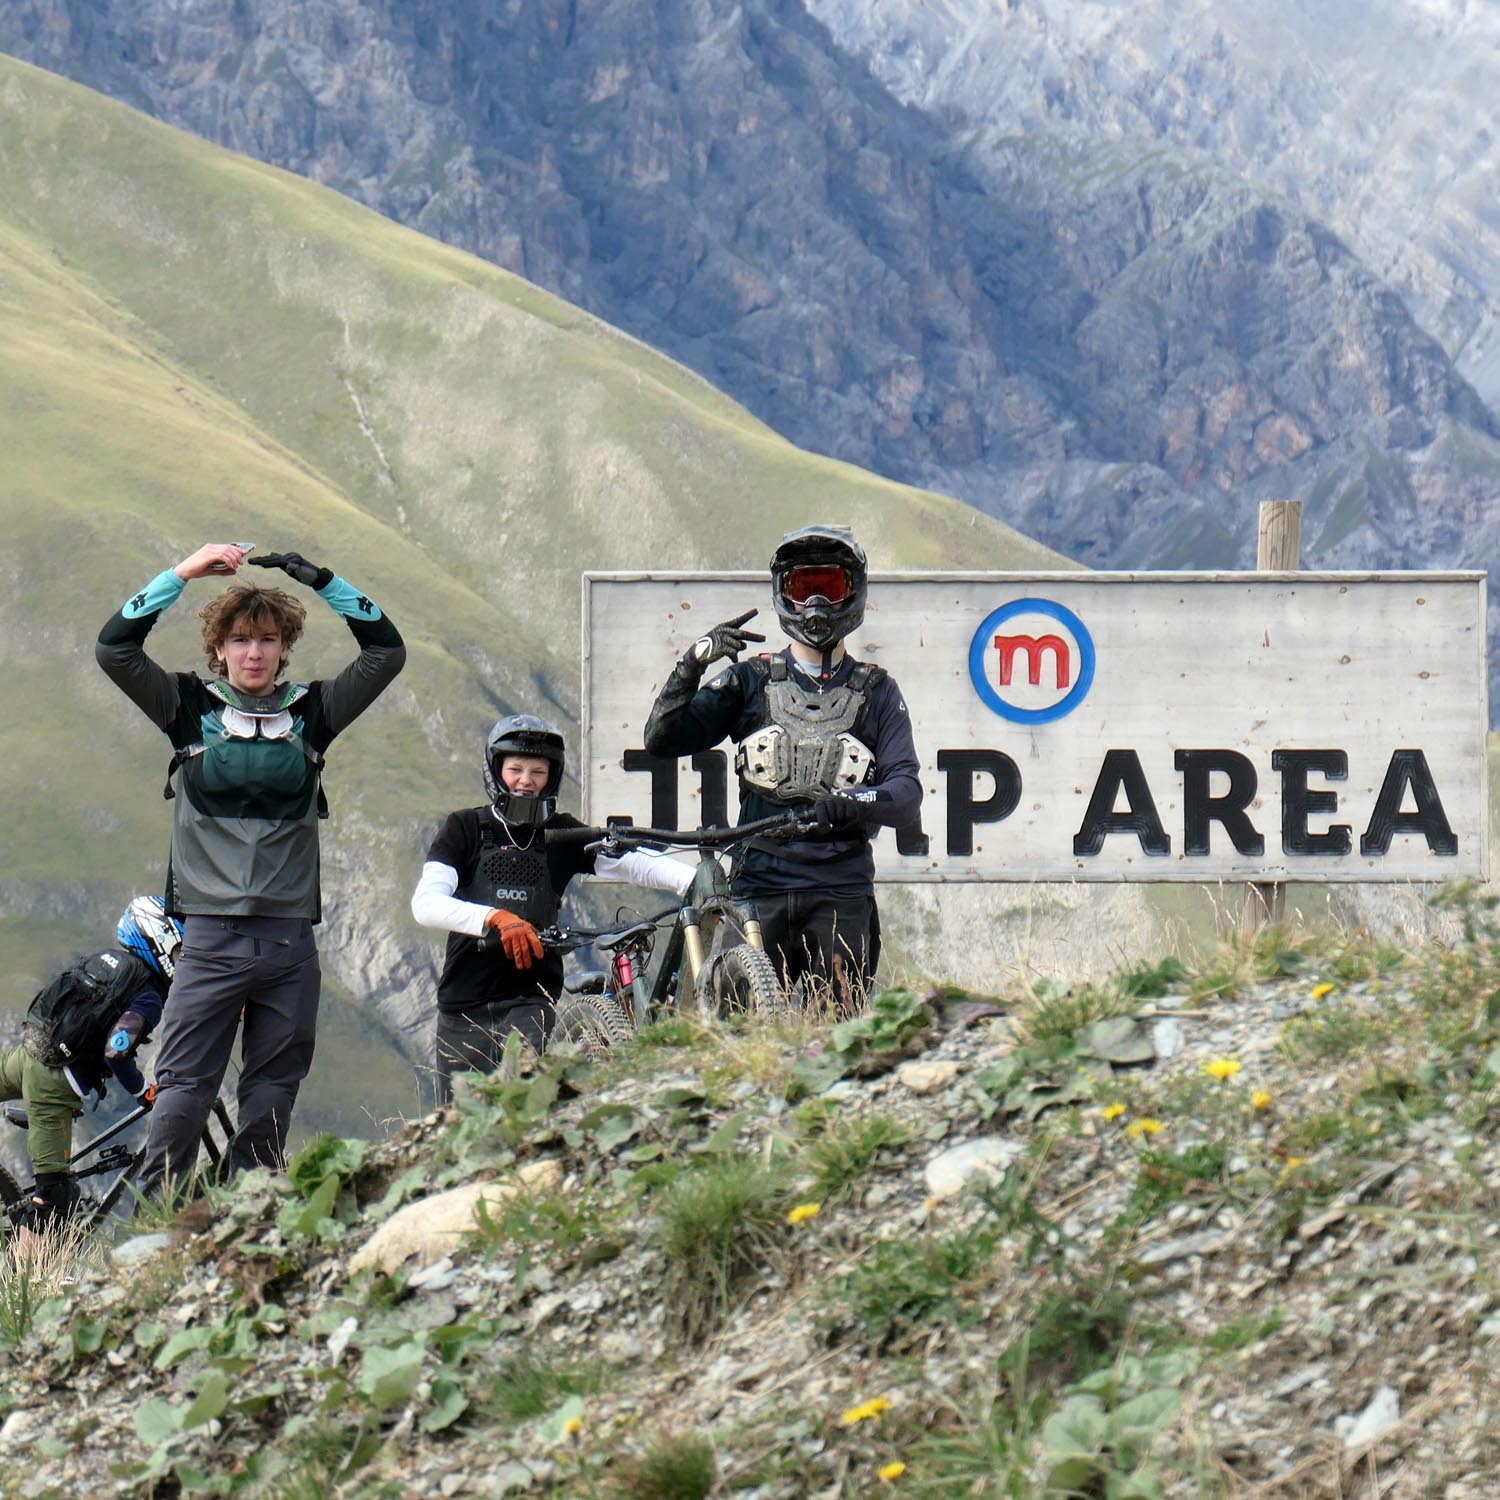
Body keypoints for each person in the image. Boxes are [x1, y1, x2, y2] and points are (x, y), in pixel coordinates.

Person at [95, 542, 405, 1190]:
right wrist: (184, 572)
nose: (254, 653)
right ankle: (186, 1222)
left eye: (267, 640)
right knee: (193, 1088)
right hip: (222, 940)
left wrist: (319, 579)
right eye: (241, 641)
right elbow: (115, 648)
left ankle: (227, 1222)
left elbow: (385, 652)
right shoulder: (192, 708)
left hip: (282, 943)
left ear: (284, 648)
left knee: (262, 1092)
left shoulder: (309, 713)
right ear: (219, 649)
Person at [643, 525, 920, 1012]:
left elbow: (906, 793)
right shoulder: (748, 681)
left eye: (830, 588)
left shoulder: (879, 691)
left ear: (852, 591)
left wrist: (851, 803)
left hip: (839, 892)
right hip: (756, 886)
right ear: (782, 593)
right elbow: (662, 739)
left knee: (837, 1035)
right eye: (801, 587)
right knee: (734, 1030)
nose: (816, 603)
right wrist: (693, 662)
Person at [411, 714, 693, 1102]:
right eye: (515, 769)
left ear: (551, 777)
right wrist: (495, 918)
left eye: (537, 771)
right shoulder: (464, 828)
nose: (526, 780)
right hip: (463, 1005)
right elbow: (426, 905)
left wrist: (693, 881)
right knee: (459, 1125)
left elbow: (634, 861)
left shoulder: (561, 833)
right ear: (496, 772)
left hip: (531, 999)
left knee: (528, 1106)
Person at [0, 896, 181, 1226]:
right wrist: (143, 1090)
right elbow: (117, 1050)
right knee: (51, 1205)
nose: (181, 961)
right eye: (177, 952)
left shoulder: (109, 960)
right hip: (53, 1083)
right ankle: (31, 1274)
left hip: (26, 1055)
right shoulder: (148, 995)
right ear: (158, 942)